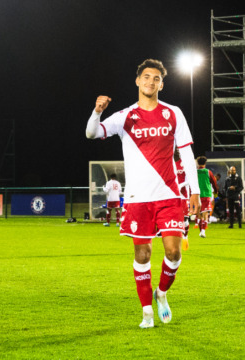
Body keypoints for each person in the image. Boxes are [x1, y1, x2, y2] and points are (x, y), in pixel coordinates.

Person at [85, 59, 201, 328]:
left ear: (162, 83)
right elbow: (92, 133)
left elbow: (186, 152)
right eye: (146, 77)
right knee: (143, 255)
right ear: (137, 81)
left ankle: (162, 292)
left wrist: (194, 191)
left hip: (170, 195)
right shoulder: (125, 116)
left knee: (173, 253)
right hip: (138, 199)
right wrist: (97, 112)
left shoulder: (173, 113)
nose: (151, 81)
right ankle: (147, 311)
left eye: (156, 78)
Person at [196, 156, 218, 238]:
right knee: (205, 214)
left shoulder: (195, 172)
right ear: (205, 163)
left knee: (199, 214)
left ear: (198, 163)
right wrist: (216, 191)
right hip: (207, 194)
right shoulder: (208, 172)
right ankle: (203, 231)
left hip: (198, 194)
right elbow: (214, 182)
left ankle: (200, 231)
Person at [174, 149, 190, 251]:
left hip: (184, 194)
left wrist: (181, 185)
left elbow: (189, 179)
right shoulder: (168, 161)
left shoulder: (185, 162)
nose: (177, 152)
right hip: (172, 194)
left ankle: (185, 236)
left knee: (185, 218)